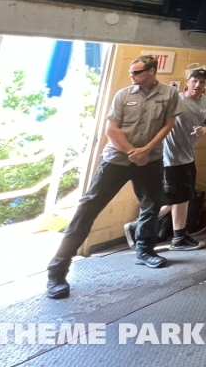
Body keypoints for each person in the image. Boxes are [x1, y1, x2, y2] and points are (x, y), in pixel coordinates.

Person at [46, 55, 181, 299]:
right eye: (131, 73)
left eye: (137, 73)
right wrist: (132, 151)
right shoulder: (123, 95)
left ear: (152, 71)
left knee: (152, 203)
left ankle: (145, 250)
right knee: (88, 207)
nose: (133, 77)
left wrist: (146, 150)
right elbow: (111, 130)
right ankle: (57, 270)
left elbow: (168, 125)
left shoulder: (169, 94)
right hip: (117, 161)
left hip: (150, 161)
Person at [127, 65, 206, 250]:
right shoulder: (175, 100)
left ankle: (172, 236)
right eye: (194, 81)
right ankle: (144, 228)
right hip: (170, 159)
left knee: (181, 198)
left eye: (202, 82)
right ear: (188, 82)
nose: (197, 85)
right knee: (175, 199)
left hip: (188, 157)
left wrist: (205, 130)